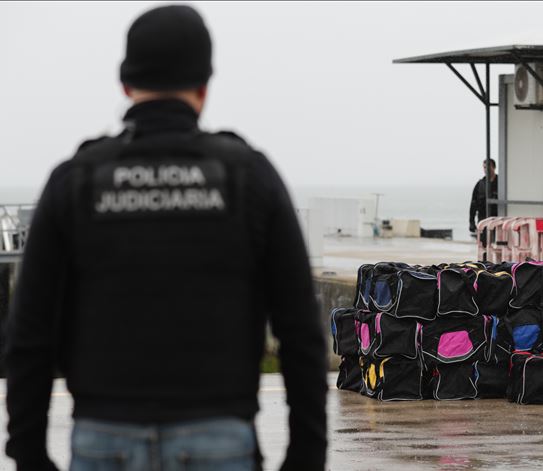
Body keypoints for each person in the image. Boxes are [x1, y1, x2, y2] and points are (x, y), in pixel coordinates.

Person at [4, 5, 327, 471]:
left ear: (125, 84)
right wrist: (305, 457)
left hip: (102, 437)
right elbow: (300, 331)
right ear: (204, 85)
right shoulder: (249, 178)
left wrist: (30, 455)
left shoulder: (75, 181)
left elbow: (28, 335)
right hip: (219, 438)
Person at [468, 158, 499, 245]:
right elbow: (473, 204)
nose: (486, 170)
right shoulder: (480, 184)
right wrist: (471, 222)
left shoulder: (501, 182)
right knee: (483, 245)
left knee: (499, 245)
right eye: (484, 167)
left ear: (494, 167)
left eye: (488, 167)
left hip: (498, 219)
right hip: (483, 219)